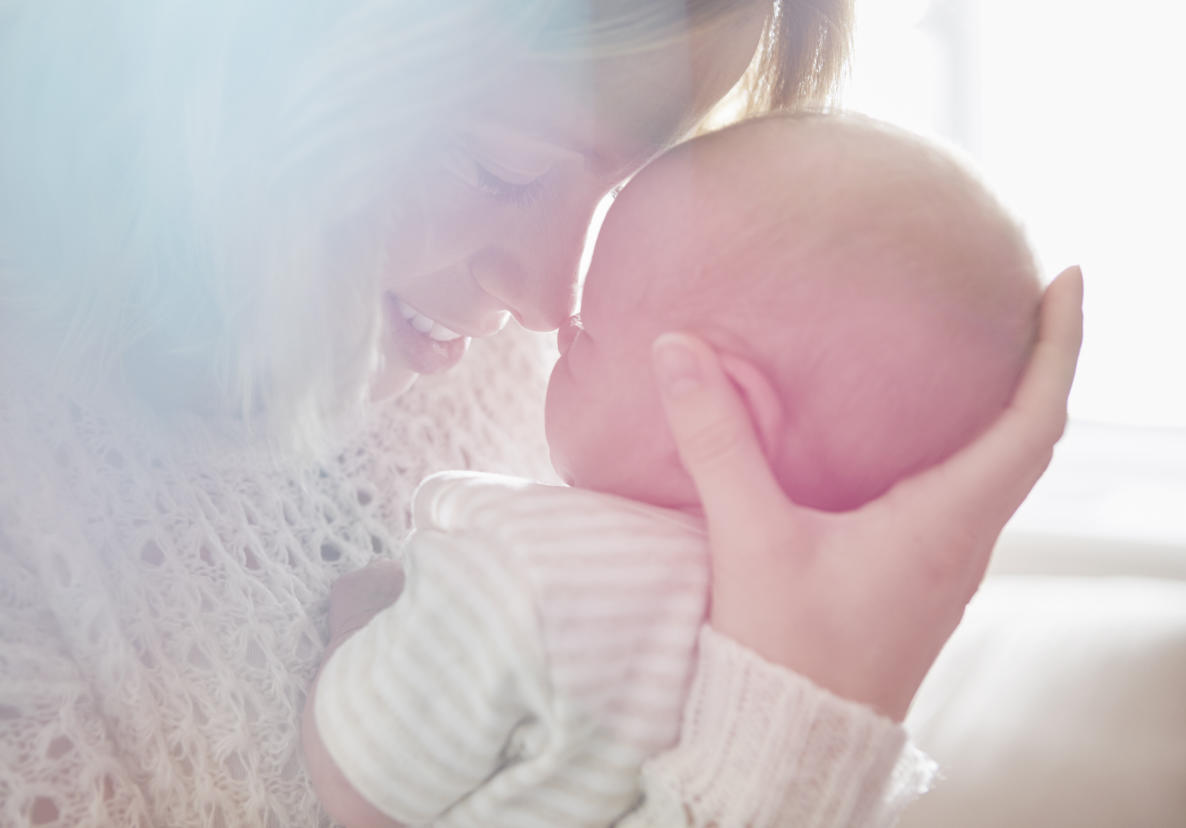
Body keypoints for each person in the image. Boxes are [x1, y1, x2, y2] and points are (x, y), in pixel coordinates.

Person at [0, 0, 1082, 826]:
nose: (549, 304)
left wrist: (814, 710)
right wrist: (785, 765)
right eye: (499, 171)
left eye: (632, 187)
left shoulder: (531, 380)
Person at [302, 112, 1041, 827]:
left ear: (717, 408)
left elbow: (363, 788)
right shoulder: (778, 647)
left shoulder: (527, 563)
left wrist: (362, 617)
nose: (554, 321)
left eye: (587, 334)